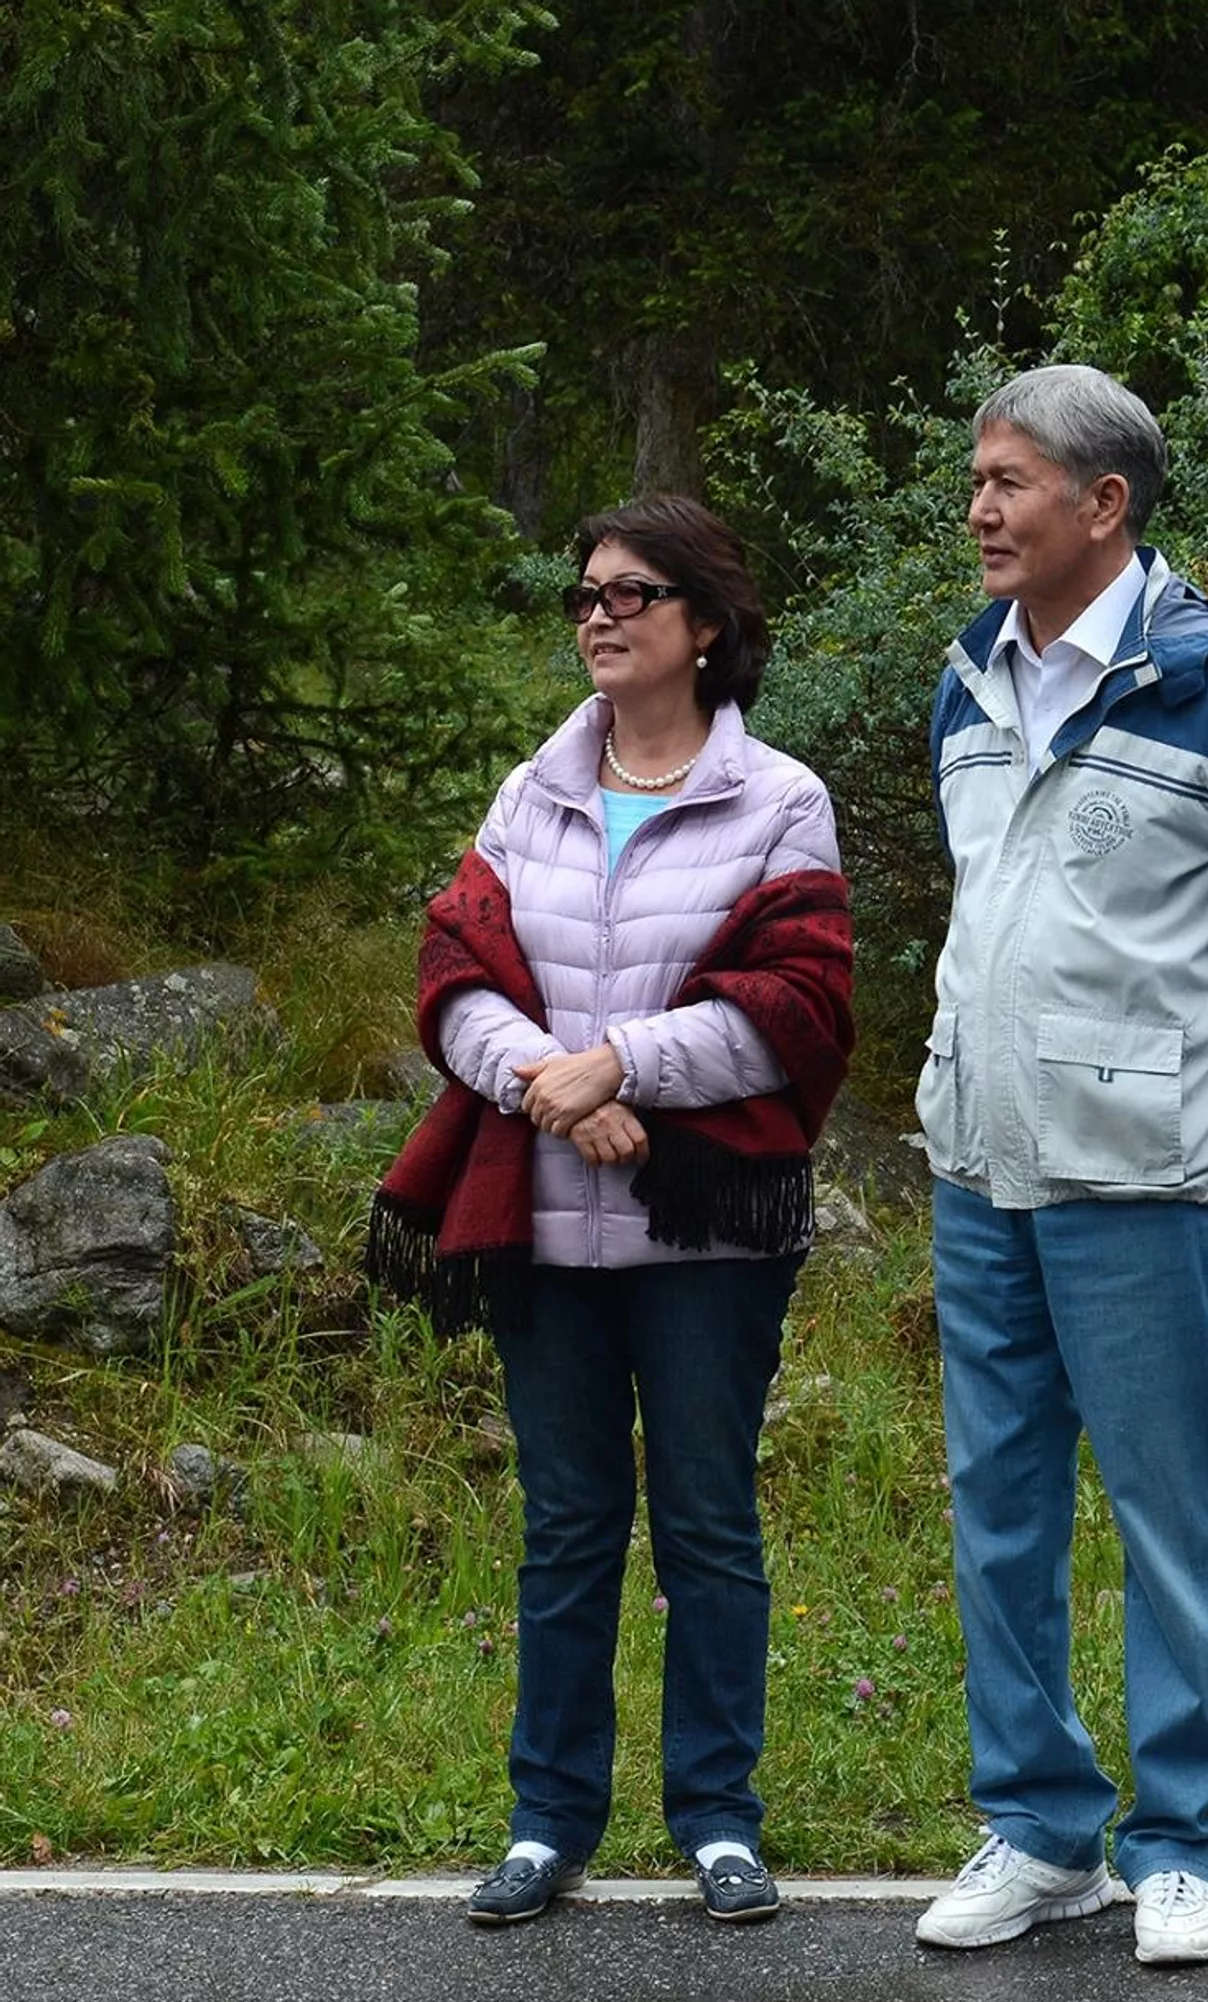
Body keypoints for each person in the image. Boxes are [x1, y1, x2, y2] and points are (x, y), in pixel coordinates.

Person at [911, 365, 1208, 1967]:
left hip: (1157, 1176)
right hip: (983, 1164)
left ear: (1105, 503)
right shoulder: (967, 679)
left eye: (1009, 480)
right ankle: (1041, 1831)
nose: (980, 509)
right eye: (977, 479)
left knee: (1176, 1514)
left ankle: (1179, 1843)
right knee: (999, 1511)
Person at [367, 496, 854, 1929]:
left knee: (706, 1519)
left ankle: (719, 1817)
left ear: (705, 624)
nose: (598, 614)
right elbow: (455, 976)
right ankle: (548, 1820)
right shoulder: (532, 791)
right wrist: (557, 1090)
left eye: (631, 593)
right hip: (544, 1220)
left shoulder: (781, 801)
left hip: (706, 1234)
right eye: (586, 593)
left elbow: (798, 1009)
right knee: (568, 1526)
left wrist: (621, 1062)